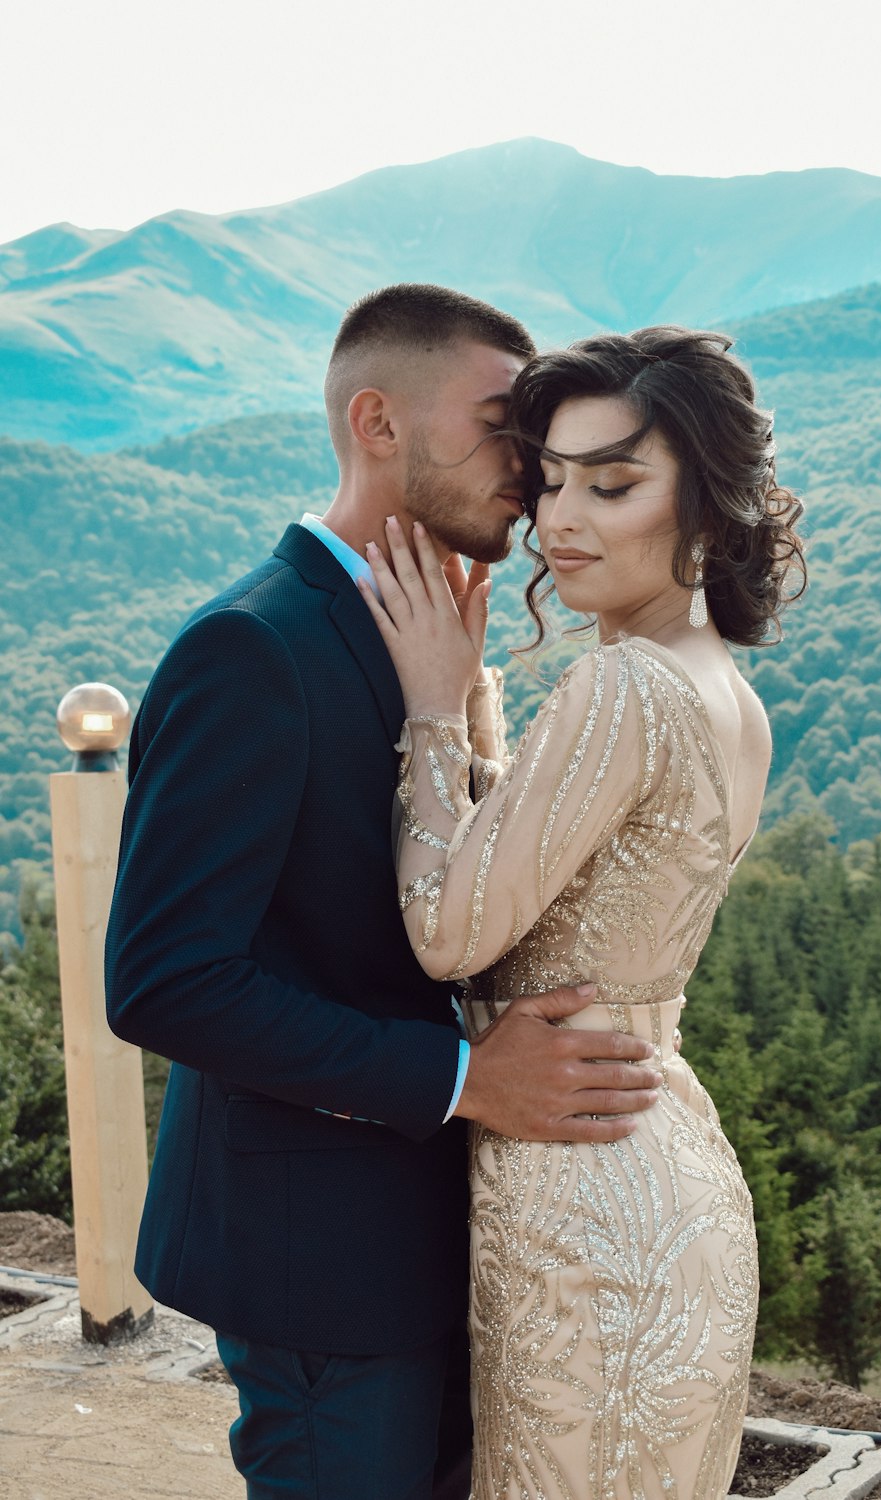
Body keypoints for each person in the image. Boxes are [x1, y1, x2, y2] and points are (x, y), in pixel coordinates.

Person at [104, 285, 665, 1500]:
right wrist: (466, 1079)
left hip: (440, 1226)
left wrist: (455, 709)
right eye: (500, 428)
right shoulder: (252, 647)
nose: (531, 470)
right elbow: (165, 982)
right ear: (377, 422)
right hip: (317, 1257)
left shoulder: (427, 635)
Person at [360, 325, 806, 1499]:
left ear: (707, 508)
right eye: (550, 480)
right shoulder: (728, 695)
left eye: (612, 485)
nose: (560, 520)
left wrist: (432, 715)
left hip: (584, 1205)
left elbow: (448, 934)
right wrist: (489, 716)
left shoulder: (620, 684)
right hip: (668, 1168)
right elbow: (568, 873)